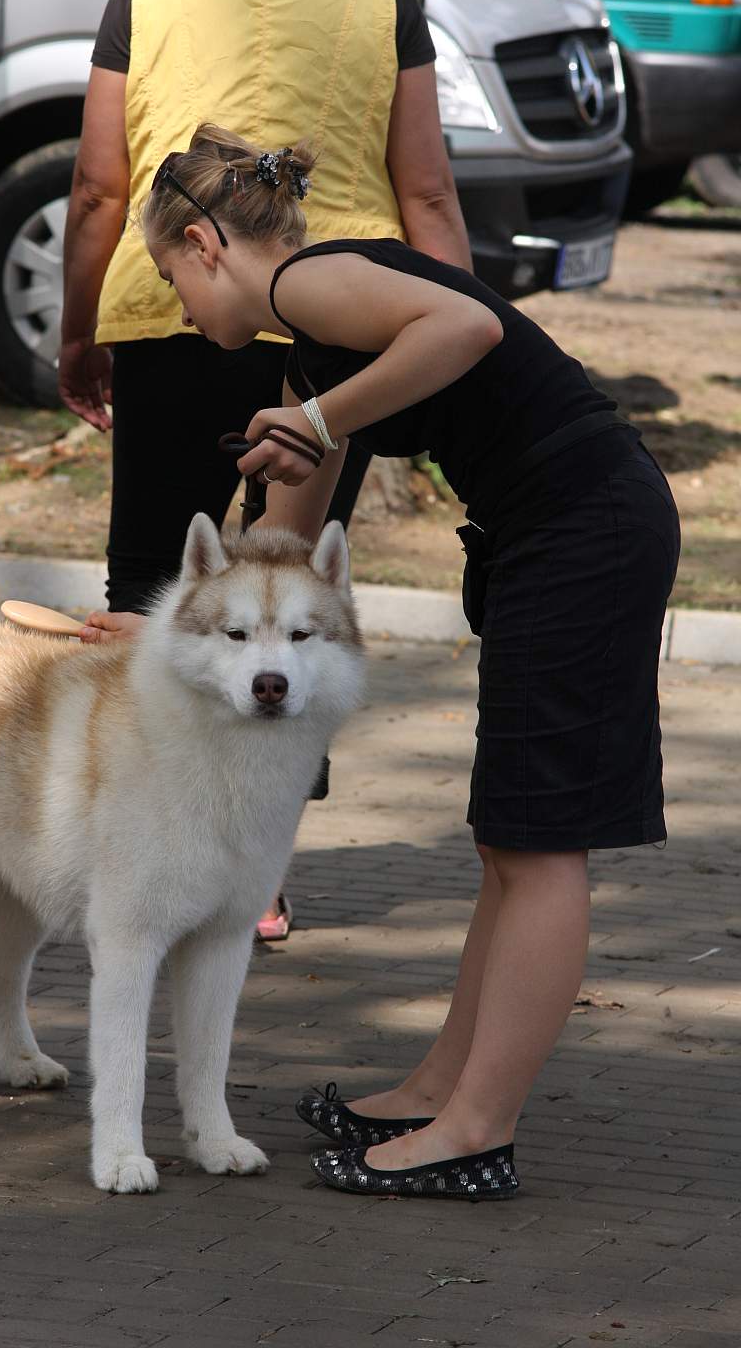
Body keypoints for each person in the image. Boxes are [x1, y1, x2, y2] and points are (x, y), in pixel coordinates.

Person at [137, 122, 680, 1200]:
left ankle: (476, 1131)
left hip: (585, 527)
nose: (179, 309)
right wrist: (158, 630)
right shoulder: (312, 348)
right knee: (508, 838)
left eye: (169, 280)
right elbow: (277, 550)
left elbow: (470, 323)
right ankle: (442, 1090)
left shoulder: (309, 284)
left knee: (541, 842)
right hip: (549, 533)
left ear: (203, 244)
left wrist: (318, 415)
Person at [60, 0, 470, 938]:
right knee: (289, 590)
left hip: (168, 305)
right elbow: (427, 190)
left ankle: (132, 837)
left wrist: (80, 327)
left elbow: (99, 184)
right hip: (331, 324)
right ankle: (262, 873)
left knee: (153, 580)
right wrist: (456, 327)